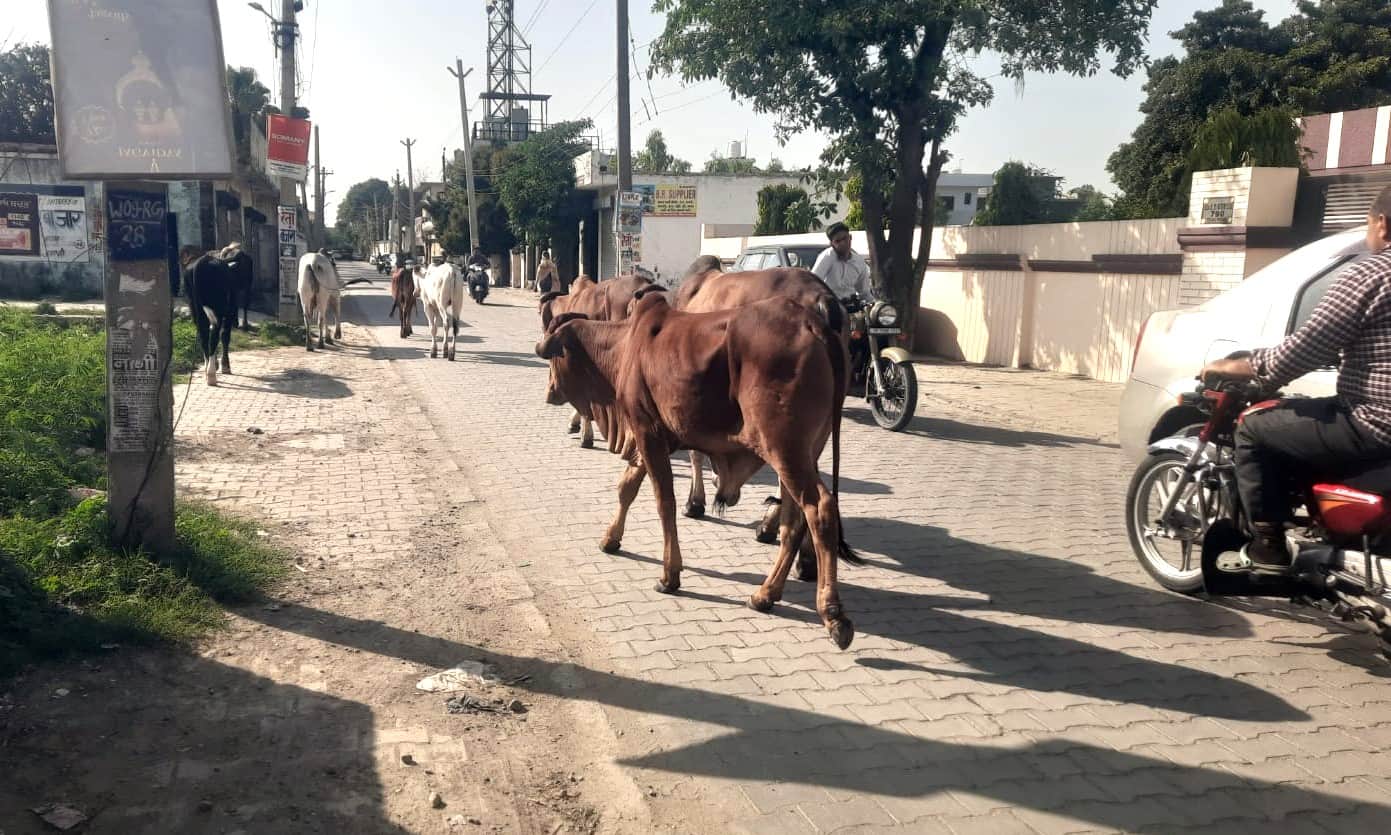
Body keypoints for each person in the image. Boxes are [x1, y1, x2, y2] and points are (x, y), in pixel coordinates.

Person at [1201, 186, 1391, 572]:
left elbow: (1309, 348)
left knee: (1254, 426)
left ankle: (1267, 548)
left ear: (1382, 225)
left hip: (1375, 423)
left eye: (1368, 225)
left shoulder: (1371, 273)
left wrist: (1240, 366)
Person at [812, 221, 874, 300]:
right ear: (831, 244)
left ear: (850, 237)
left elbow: (864, 292)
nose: (842, 243)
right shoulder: (827, 257)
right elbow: (813, 282)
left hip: (851, 306)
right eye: (837, 241)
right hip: (829, 305)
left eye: (845, 238)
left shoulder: (859, 262)